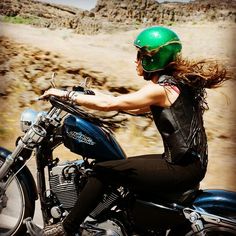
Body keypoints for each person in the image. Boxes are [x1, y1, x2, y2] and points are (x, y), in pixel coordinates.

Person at [40, 26, 227, 236]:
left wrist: (65, 95)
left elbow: (112, 104)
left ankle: (66, 228)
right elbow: (125, 105)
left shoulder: (160, 90)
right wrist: (89, 94)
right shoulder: (175, 86)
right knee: (123, 165)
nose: (135, 61)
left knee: (103, 171)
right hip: (187, 164)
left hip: (180, 168)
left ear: (152, 59)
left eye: (139, 55)